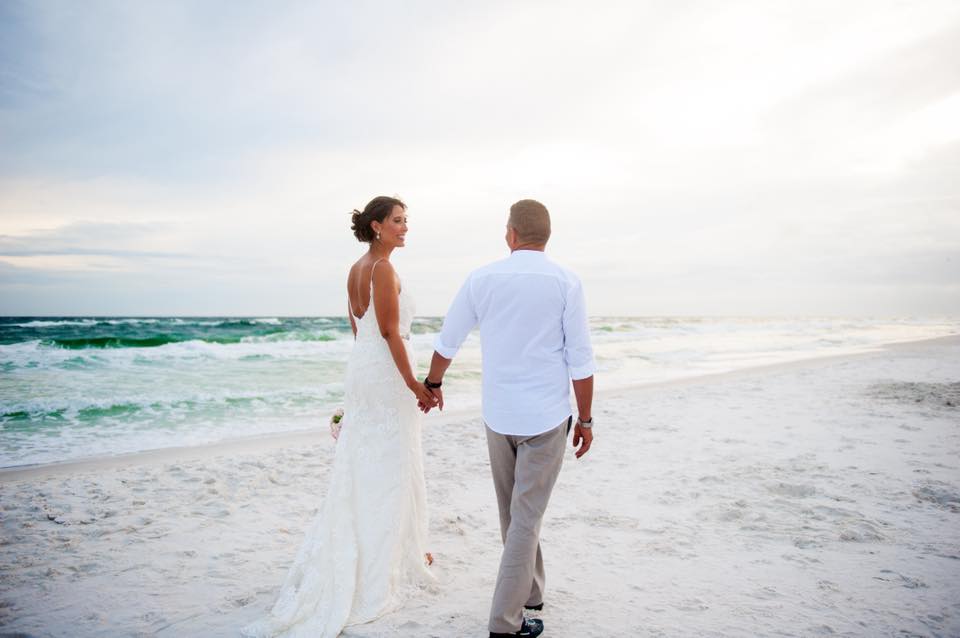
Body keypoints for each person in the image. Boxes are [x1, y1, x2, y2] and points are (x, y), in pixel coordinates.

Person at [241, 195, 438, 638]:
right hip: (386, 374)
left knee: (365, 464)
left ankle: (403, 547)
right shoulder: (383, 269)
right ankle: (389, 559)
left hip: (362, 371)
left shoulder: (354, 270)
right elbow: (389, 332)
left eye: (407, 221)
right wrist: (413, 384)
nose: (405, 228)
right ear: (376, 226)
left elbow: (359, 333)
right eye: (398, 221)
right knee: (394, 463)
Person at [421, 199, 595, 638]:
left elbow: (449, 340)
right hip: (546, 416)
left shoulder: (482, 278)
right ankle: (505, 622)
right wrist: (587, 419)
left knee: (515, 513)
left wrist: (433, 383)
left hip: (498, 414)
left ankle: (531, 594)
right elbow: (581, 359)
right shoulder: (566, 282)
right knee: (525, 515)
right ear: (546, 236)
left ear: (511, 234)